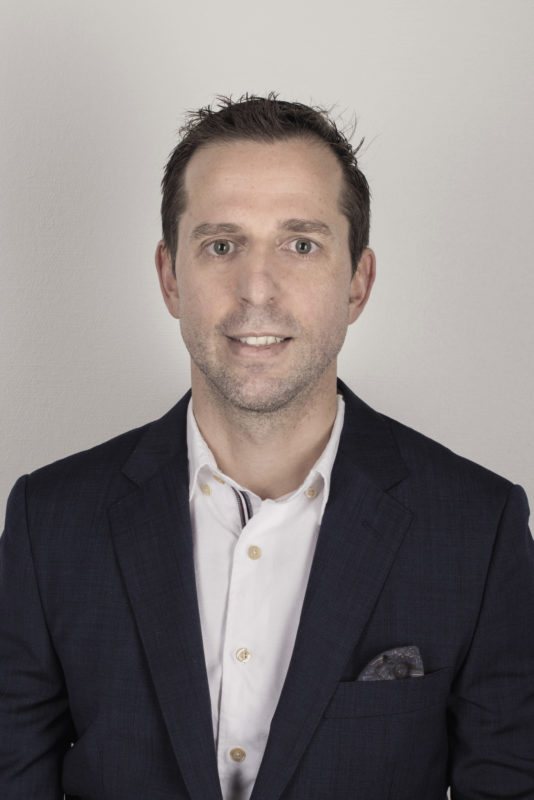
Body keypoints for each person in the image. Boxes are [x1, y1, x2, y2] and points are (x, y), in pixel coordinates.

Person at [1, 94, 533, 800]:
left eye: (300, 244)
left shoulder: (478, 527)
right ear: (170, 277)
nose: (257, 289)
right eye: (221, 245)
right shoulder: (48, 521)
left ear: (358, 283)